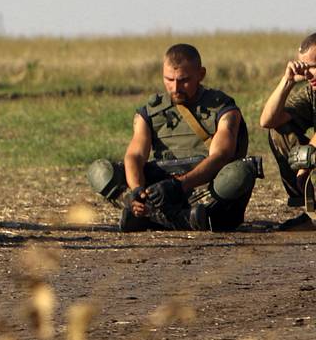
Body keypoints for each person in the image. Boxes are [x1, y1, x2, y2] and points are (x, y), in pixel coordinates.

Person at [86, 43, 259, 231]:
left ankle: (157, 218)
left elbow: (221, 156)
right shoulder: (149, 113)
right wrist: (137, 190)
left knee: (240, 172)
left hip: (202, 188)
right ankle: (155, 212)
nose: (175, 87)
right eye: (169, 79)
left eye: (184, 80)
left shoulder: (223, 109)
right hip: (158, 189)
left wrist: (179, 185)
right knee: (101, 171)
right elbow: (135, 155)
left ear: (201, 74)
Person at [258, 33, 316, 230]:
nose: (308, 74)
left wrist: (305, 163)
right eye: (305, 68)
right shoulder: (311, 92)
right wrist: (288, 81)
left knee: (308, 155)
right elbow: (268, 120)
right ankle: (311, 209)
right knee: (279, 131)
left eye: (313, 67)